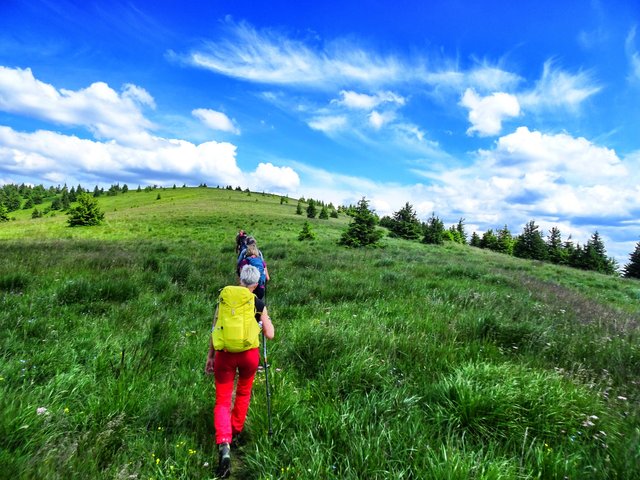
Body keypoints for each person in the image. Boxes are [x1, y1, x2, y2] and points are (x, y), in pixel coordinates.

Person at [205, 265, 275, 479]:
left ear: (239, 280)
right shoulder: (257, 302)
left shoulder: (224, 300)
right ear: (255, 285)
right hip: (249, 356)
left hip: (224, 355)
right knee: (243, 393)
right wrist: (265, 322)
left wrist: (210, 356)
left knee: (223, 400)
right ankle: (235, 431)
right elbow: (270, 335)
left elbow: (215, 328)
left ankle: (224, 444)